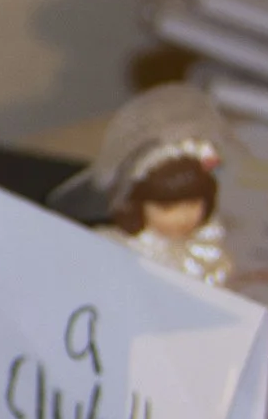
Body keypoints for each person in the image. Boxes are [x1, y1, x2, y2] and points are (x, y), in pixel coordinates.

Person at [88, 84, 232, 285]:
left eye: (192, 204)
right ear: (138, 205)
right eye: (167, 208)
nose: (183, 217)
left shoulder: (204, 251)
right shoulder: (124, 249)